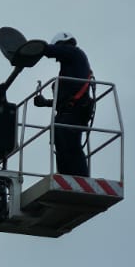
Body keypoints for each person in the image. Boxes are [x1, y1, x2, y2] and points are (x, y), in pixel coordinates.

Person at [35, 31, 95, 179]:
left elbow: (51, 51)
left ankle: (81, 179)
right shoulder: (70, 66)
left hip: (74, 113)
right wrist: (46, 103)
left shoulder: (74, 53)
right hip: (68, 112)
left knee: (72, 147)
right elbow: (64, 101)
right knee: (63, 147)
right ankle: (66, 176)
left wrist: (37, 47)